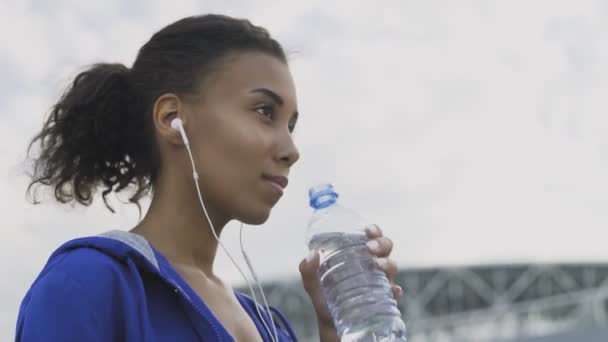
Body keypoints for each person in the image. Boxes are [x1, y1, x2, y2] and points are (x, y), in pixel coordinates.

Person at [16, 14, 402, 342]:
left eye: (292, 125)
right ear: (172, 119)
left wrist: (333, 329)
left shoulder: (271, 327)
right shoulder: (88, 286)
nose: (291, 150)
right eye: (265, 111)